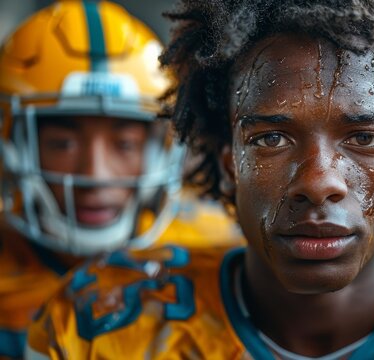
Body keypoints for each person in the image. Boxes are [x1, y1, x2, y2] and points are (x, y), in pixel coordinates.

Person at [25, 0, 374, 358]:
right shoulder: (97, 326)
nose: (320, 182)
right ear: (229, 162)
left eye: (364, 138)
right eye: (271, 138)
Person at [0, 1, 241, 358]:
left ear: (161, 149)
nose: (96, 175)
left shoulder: (216, 253)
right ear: (14, 145)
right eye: (62, 143)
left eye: (125, 144)